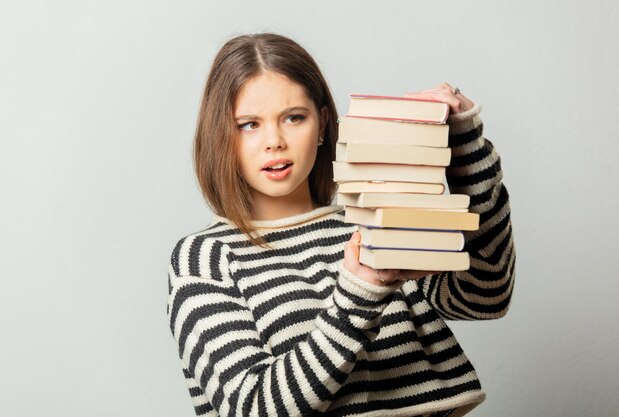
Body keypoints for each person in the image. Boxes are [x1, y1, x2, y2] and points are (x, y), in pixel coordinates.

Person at [167, 32, 516, 417]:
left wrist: (467, 146)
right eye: (248, 124)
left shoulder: (373, 222)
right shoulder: (206, 258)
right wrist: (360, 292)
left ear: (322, 125)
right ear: (220, 136)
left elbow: (485, 296)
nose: (274, 141)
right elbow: (253, 407)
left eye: (293, 117)